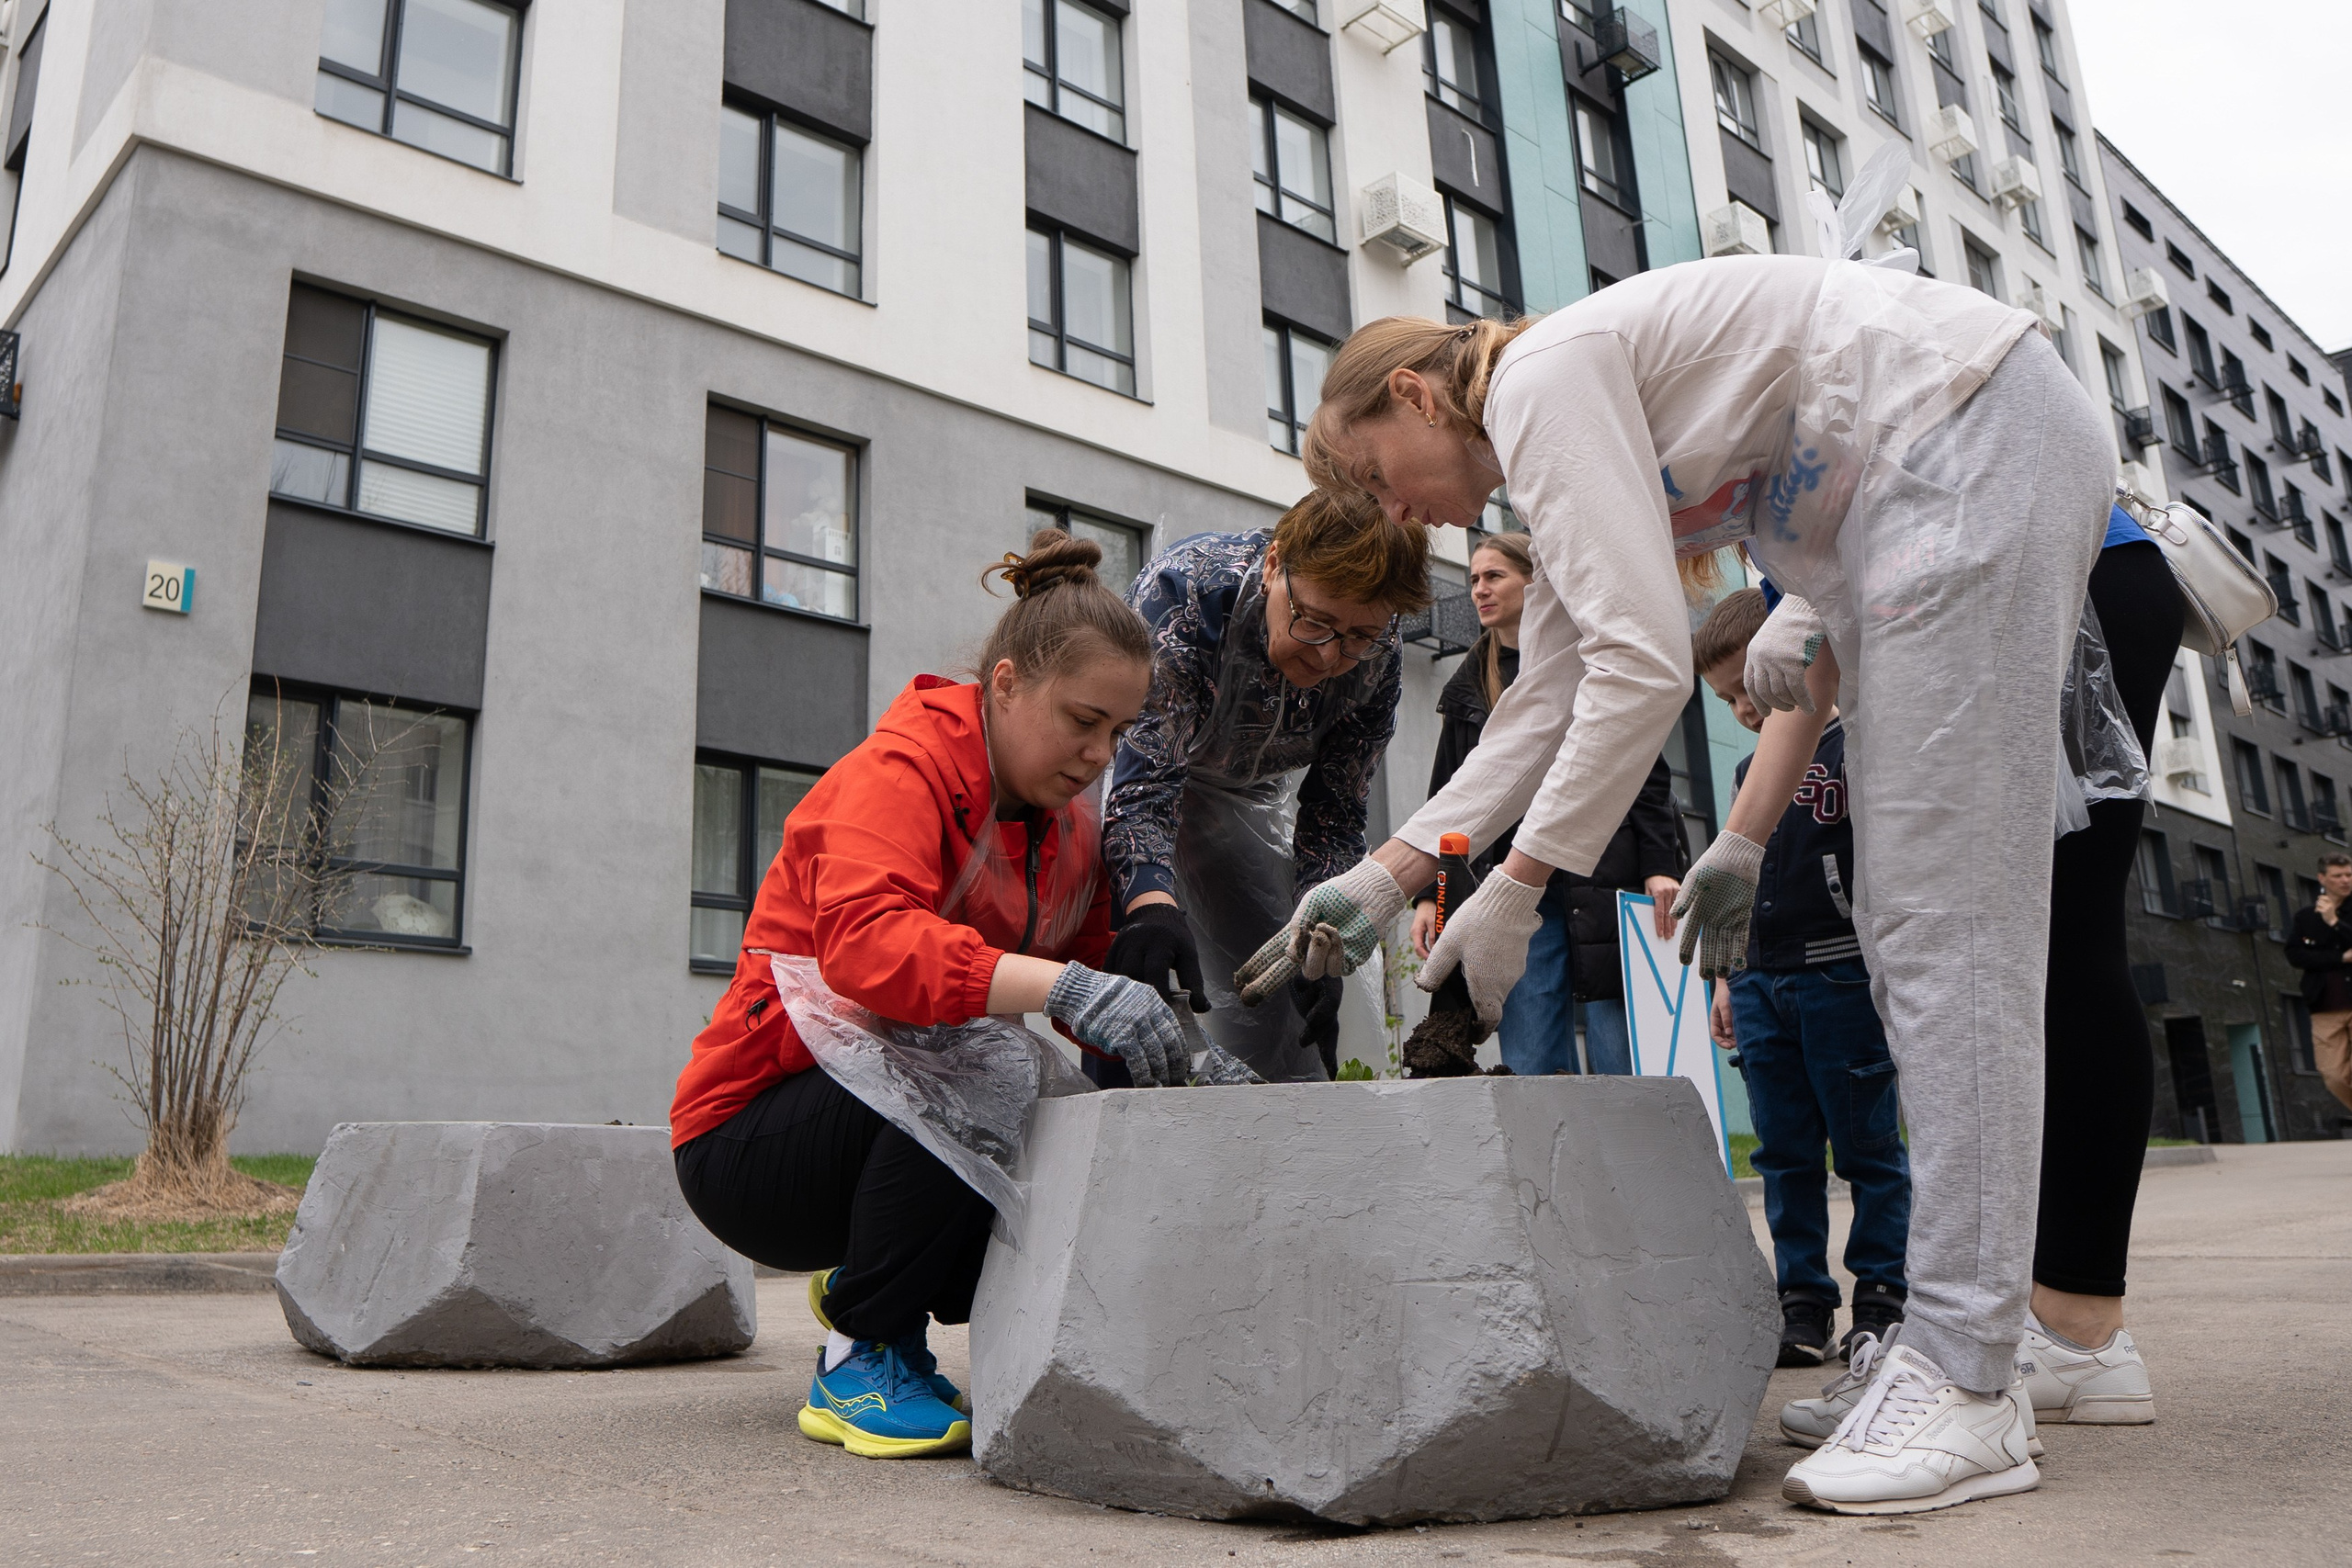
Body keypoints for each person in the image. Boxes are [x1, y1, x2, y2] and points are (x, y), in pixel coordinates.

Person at [1244, 252, 2116, 1516]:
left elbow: (1646, 669)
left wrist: (1521, 884)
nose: (1405, 515)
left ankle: (1971, 1376)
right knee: (1914, 920)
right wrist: (1391, 873)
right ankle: (1952, 1341)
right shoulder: (1566, 414)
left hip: (1957, 438)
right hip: (1933, 462)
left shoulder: (1539, 380)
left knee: (1944, 921)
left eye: (1379, 476)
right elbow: (1545, 696)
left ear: (1419, 400)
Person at [668, 530, 1188, 1461]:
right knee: (989, 1054)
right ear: (1004, 684)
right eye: (1081, 720)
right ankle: (861, 1350)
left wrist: (1170, 1042)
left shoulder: (1064, 829)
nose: (1099, 755)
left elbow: (1105, 973)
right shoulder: (899, 773)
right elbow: (868, 947)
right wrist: (1067, 988)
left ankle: (870, 1280)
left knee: (1060, 1099)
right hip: (745, 1145)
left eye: (1118, 732)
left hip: (863, 1130)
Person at [1100, 492, 1431, 1083]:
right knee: (1147, 993)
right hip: (1142, 791)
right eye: (1315, 622)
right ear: (1276, 565)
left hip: (1249, 808)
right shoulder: (1187, 597)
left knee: (1280, 1008)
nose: (1331, 655)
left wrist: (1323, 940)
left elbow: (1334, 813)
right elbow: (1146, 778)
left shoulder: (1379, 653)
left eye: (1358, 636)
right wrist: (1150, 902)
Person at [1692, 587, 1909, 1376]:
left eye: (1745, 688)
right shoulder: (1754, 769)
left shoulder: (1860, 744)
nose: (1743, 711)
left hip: (1841, 976)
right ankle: (1803, 1302)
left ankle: (1883, 1295)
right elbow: (1739, 875)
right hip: (1760, 983)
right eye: (1726, 700)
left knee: (1868, 1147)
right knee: (1783, 1154)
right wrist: (1725, 979)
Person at [1408, 531, 1683, 1075]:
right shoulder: (1469, 684)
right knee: (1531, 1059)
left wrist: (1659, 866)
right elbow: (1448, 795)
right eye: (1473, 580)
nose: (1479, 590)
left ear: (1537, 585)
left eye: (1494, 576)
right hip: (1514, 893)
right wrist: (1426, 896)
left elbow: (1645, 773)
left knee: (1622, 1057)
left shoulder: (1590, 660)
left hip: (1607, 880)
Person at [2286, 852, 2352, 1114]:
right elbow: (2295, 955)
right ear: (2322, 878)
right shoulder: (2305, 917)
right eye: (2338, 876)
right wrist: (2340, 957)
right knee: (2333, 1076)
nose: (2345, 880)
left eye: (2349, 875)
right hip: (2325, 1005)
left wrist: (2335, 922)